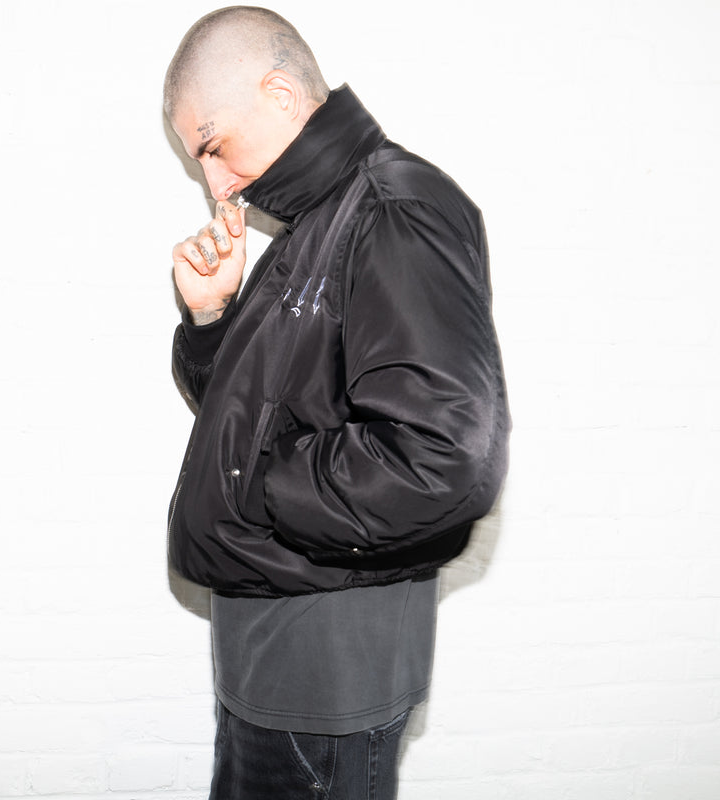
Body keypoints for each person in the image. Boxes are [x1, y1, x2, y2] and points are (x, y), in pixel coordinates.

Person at [163, 7, 510, 798]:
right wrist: (212, 318)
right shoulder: (313, 227)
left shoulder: (393, 208)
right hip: (275, 649)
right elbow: (258, 416)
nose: (217, 183)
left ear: (281, 96)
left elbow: (440, 459)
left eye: (212, 146)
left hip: (326, 671)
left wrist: (255, 485)